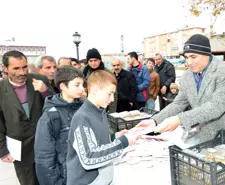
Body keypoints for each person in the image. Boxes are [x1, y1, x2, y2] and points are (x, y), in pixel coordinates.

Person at [137, 34, 225, 145]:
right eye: (186, 57)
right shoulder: (187, 76)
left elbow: (216, 106)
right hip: (207, 137)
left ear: (207, 55)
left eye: (193, 57)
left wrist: (179, 119)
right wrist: (155, 120)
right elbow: (178, 104)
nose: (189, 62)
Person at [66, 70, 138, 185]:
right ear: (94, 91)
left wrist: (114, 137)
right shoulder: (82, 118)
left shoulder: (100, 111)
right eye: (109, 94)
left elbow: (97, 140)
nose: (112, 99)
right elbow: (88, 158)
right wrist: (122, 142)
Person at [0, 50, 53, 185]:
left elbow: (55, 107)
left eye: (25, 67)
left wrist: (44, 92)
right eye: (16, 68)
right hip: (20, 149)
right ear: (5, 68)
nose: (22, 72)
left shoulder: (40, 80)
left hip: (45, 144)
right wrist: (2, 150)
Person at [34, 66, 84, 185]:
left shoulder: (84, 107)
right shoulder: (50, 116)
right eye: (77, 85)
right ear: (63, 86)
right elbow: (44, 159)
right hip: (65, 178)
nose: (82, 89)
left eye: (83, 84)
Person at [83, 48, 117, 113]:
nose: (93, 63)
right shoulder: (84, 72)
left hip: (104, 107)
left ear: (100, 60)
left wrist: (112, 112)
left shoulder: (107, 73)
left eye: (95, 60)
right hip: (88, 106)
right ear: (88, 61)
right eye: (91, 61)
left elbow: (114, 93)